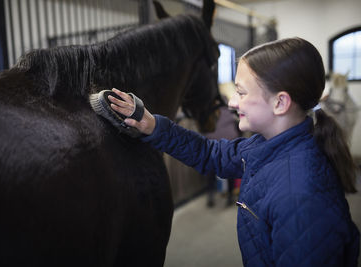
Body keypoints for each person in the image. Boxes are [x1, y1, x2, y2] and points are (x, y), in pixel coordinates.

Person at [108, 37, 360, 266]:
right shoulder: (267, 144)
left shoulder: (301, 196)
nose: (231, 102)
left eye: (240, 92)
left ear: (280, 102)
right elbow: (212, 154)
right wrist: (153, 126)